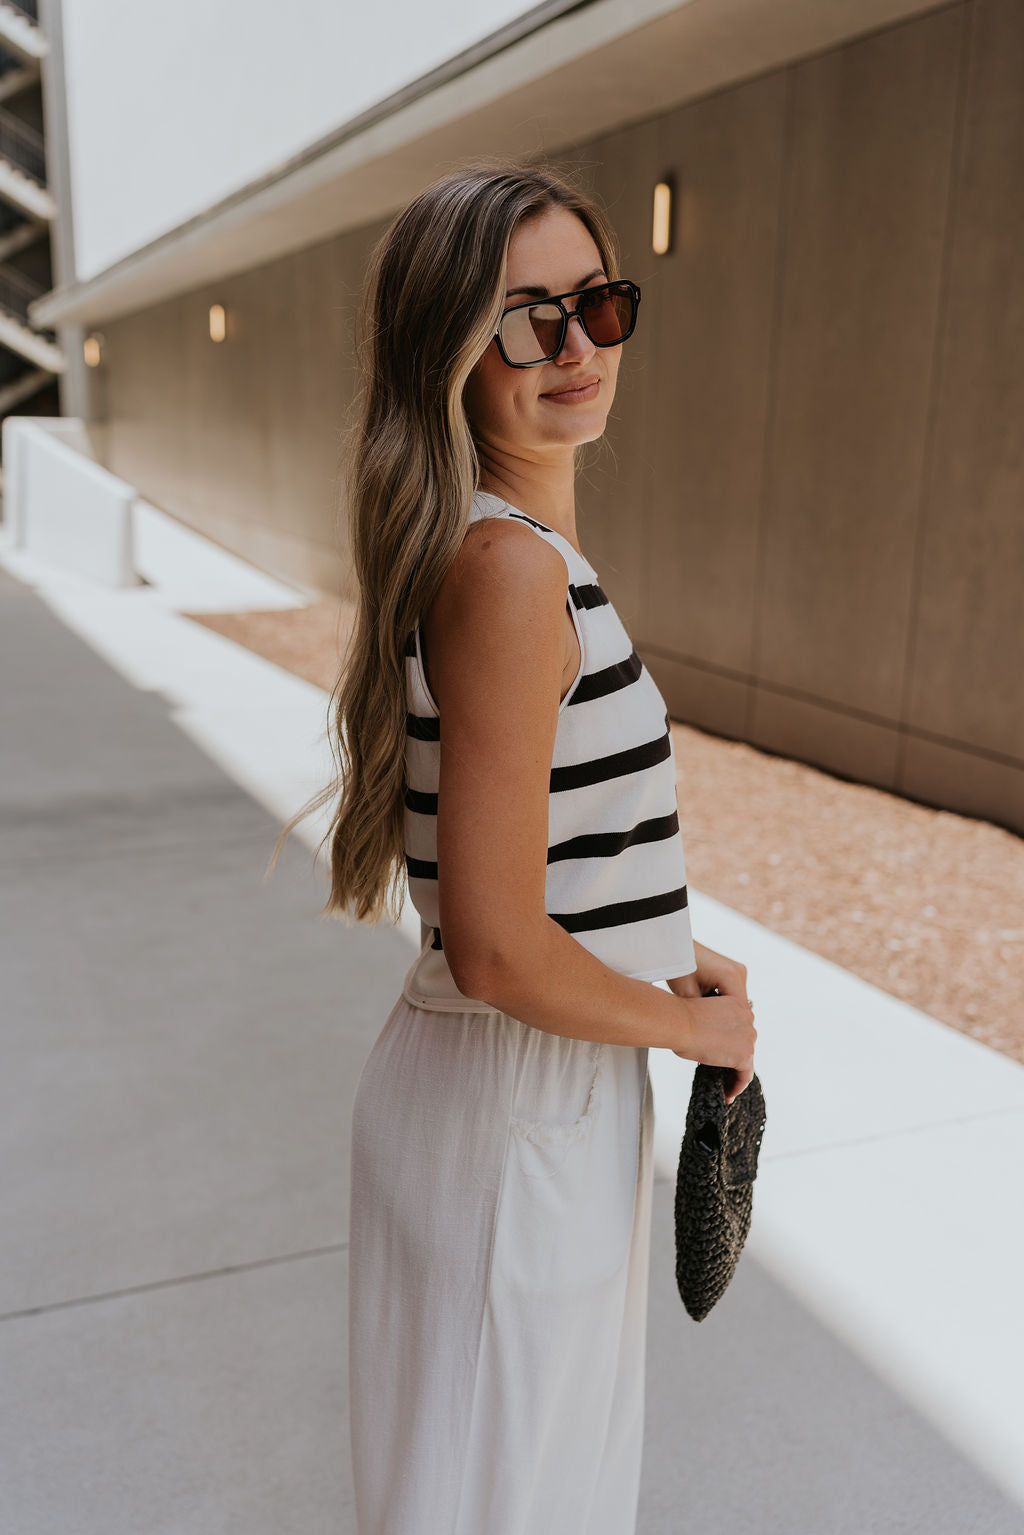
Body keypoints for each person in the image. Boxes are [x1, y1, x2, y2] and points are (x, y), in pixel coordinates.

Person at [272, 160, 756, 1535]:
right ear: (451, 349)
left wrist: (669, 953)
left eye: (597, 305)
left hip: (522, 1099)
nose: (576, 348)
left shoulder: (516, 549)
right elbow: (491, 947)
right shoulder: (510, 568)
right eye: (524, 315)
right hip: (514, 1104)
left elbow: (540, 870)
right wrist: (694, 1034)